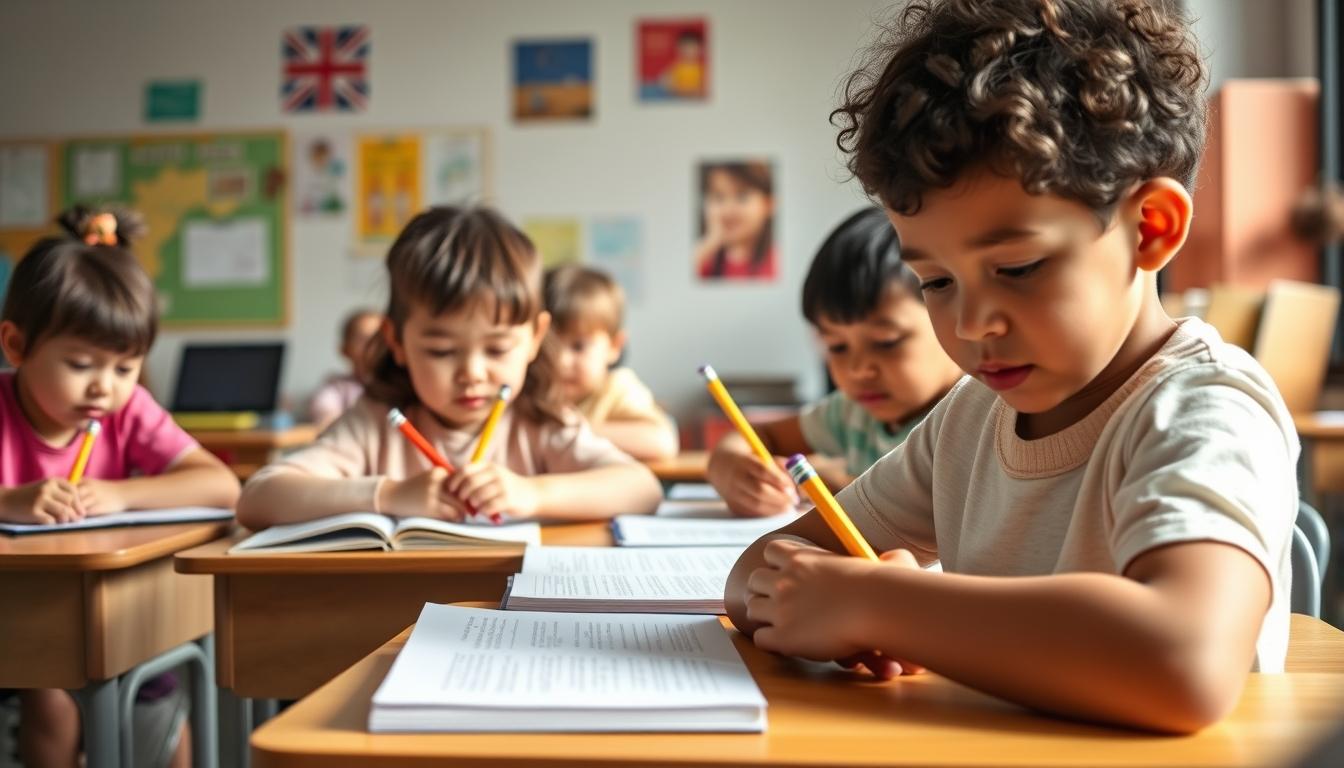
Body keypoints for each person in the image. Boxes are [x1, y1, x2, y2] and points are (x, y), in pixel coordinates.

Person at [726, 0, 1297, 733]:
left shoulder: (1206, 407)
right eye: (934, 281)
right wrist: (837, 595)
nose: (969, 324)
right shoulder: (970, 420)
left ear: (1150, 228)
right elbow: (755, 573)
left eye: (1018, 268)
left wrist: (884, 606)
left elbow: (1182, 660)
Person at [237, 206, 662, 529]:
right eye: (441, 351)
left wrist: (531, 493)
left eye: (496, 350)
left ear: (534, 338)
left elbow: (642, 488)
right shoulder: (374, 422)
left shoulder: (539, 420)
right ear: (396, 342)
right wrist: (390, 495)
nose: (472, 373)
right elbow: (258, 498)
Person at [0, 204, 240, 767]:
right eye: (81, 364)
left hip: (99, 612)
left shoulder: (126, 410)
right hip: (20, 618)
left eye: (126, 367)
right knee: (52, 698)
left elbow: (221, 485)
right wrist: (9, 501)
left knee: (160, 689)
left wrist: (121, 494)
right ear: (15, 345)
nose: (104, 389)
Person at [708, 207, 962, 516]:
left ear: (956, 315)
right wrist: (731, 469)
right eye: (837, 346)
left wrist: (838, 484)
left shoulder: (974, 417)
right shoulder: (852, 414)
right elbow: (755, 437)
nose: (858, 369)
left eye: (887, 342)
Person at [544, 264, 678, 461]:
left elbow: (662, 442)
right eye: (548, 346)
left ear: (615, 346)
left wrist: (568, 430)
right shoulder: (532, 390)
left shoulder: (617, 389)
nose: (561, 361)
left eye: (579, 346)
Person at [696, 162, 776, 280]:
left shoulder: (775, 261)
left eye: (742, 197)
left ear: (769, 204)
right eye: (719, 197)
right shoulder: (703, 260)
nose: (729, 210)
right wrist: (708, 245)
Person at [309, 308, 382, 430]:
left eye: (380, 338)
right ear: (344, 350)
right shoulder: (337, 388)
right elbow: (324, 414)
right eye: (363, 339)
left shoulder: (402, 385)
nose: (373, 345)